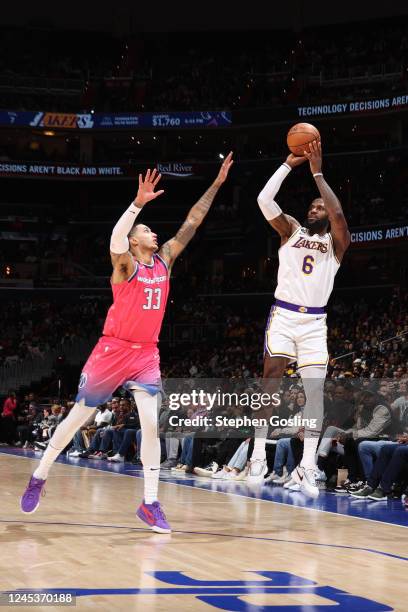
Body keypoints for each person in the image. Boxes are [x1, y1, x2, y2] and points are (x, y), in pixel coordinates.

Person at [21, 154, 233, 533]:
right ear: (136, 241)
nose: (156, 234)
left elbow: (192, 223)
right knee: (76, 419)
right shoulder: (126, 266)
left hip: (146, 355)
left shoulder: (164, 259)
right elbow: (115, 240)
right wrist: (137, 204)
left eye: (152, 231)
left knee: (152, 426)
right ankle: (40, 474)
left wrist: (216, 184)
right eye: (147, 231)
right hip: (112, 351)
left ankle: (150, 503)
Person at [248, 140, 350, 498]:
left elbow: (338, 217)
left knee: (314, 393)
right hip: (284, 316)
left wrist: (318, 174)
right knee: (270, 382)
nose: (314, 209)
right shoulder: (290, 230)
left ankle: (308, 465)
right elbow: (264, 200)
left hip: (314, 324)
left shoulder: (337, 244)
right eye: (311, 205)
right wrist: (287, 166)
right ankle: (257, 455)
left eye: (319, 206)